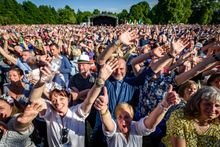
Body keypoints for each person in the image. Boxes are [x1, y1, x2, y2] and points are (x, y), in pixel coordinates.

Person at [29, 59, 118, 147]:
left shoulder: (77, 112)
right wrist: (41, 81)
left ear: (68, 99)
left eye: (61, 98)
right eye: (54, 100)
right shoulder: (49, 113)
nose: (58, 102)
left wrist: (101, 79)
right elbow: (34, 100)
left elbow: (90, 99)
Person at [94, 85, 179, 147]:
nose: (123, 121)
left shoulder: (136, 127)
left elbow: (149, 124)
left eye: (127, 117)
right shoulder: (114, 127)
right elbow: (109, 125)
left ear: (132, 118)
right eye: (120, 117)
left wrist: (164, 105)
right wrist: (104, 110)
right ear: (115, 118)